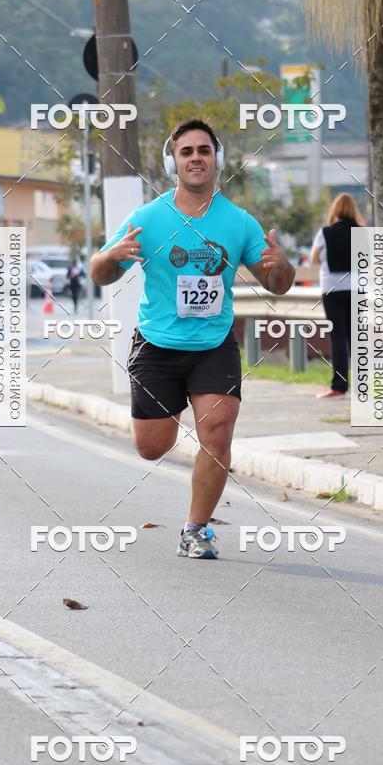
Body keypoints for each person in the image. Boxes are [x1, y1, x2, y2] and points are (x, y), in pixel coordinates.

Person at [91, 119, 295, 560]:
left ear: (216, 160)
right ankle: (175, 408)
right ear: (174, 162)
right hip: (158, 346)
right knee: (152, 447)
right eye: (187, 151)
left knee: (218, 434)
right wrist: (110, 257)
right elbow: (100, 271)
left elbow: (277, 283)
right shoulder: (147, 219)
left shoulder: (238, 222)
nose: (196, 157)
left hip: (213, 345)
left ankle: (196, 530)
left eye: (204, 150)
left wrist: (282, 266)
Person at [310, 193, 365, 399]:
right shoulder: (362, 233)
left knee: (338, 338)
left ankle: (339, 387)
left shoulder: (324, 233)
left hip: (331, 290)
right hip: (357, 289)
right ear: (354, 210)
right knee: (357, 338)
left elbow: (314, 259)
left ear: (334, 210)